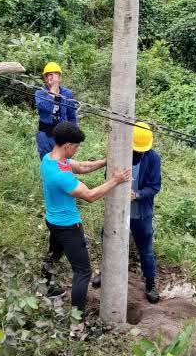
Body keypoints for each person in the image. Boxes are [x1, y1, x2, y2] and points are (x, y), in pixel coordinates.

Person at [41, 121, 130, 337]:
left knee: (54, 254)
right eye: (76, 146)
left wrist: (107, 161)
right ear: (68, 145)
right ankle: (77, 327)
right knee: (82, 272)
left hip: (52, 220)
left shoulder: (49, 159)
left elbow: (82, 166)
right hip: (68, 226)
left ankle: (46, 287)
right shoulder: (60, 175)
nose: (77, 150)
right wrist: (115, 181)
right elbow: (90, 195)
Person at [129, 122, 162, 304]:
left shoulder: (153, 158)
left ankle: (150, 284)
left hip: (142, 212)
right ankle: (105, 273)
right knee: (109, 240)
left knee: (146, 249)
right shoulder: (120, 151)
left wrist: (137, 195)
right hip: (118, 211)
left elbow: (155, 186)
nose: (137, 153)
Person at [35, 62, 77, 160]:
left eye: (54, 75)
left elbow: (71, 116)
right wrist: (53, 91)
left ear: (59, 78)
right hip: (45, 135)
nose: (51, 78)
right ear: (45, 78)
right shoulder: (40, 93)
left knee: (63, 162)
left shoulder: (67, 93)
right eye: (48, 75)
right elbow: (45, 108)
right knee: (47, 161)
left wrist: (73, 135)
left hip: (63, 134)